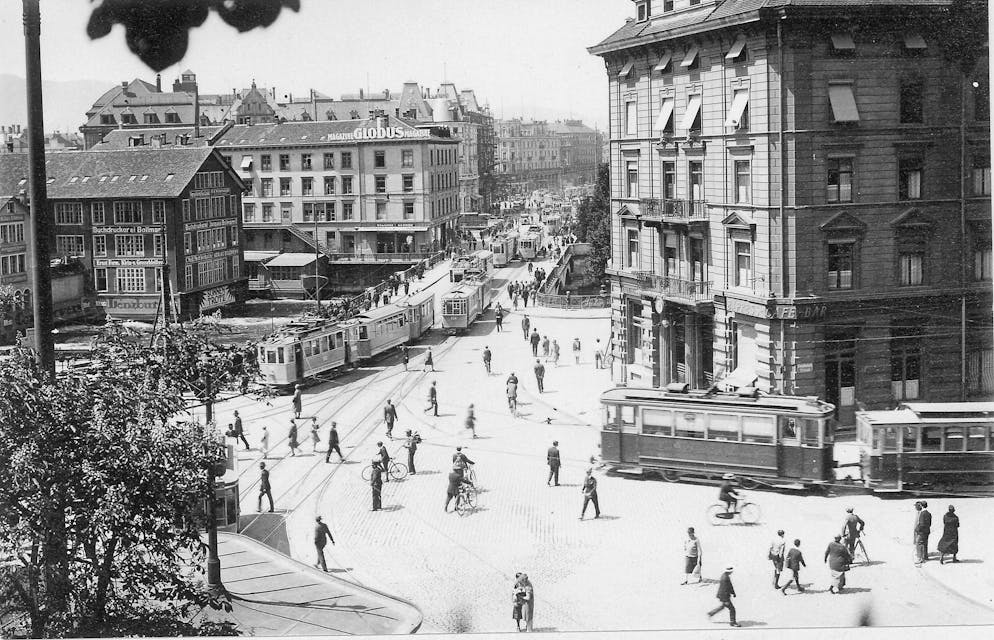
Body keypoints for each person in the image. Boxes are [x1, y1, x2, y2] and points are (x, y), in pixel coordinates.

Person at [914, 500, 932, 565]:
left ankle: (919, 558)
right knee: (925, 544)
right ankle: (925, 556)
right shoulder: (929, 513)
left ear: (921, 505)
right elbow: (929, 523)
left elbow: (921, 524)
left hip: (922, 532)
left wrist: (917, 529)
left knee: (918, 543)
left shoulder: (922, 514)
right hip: (927, 531)